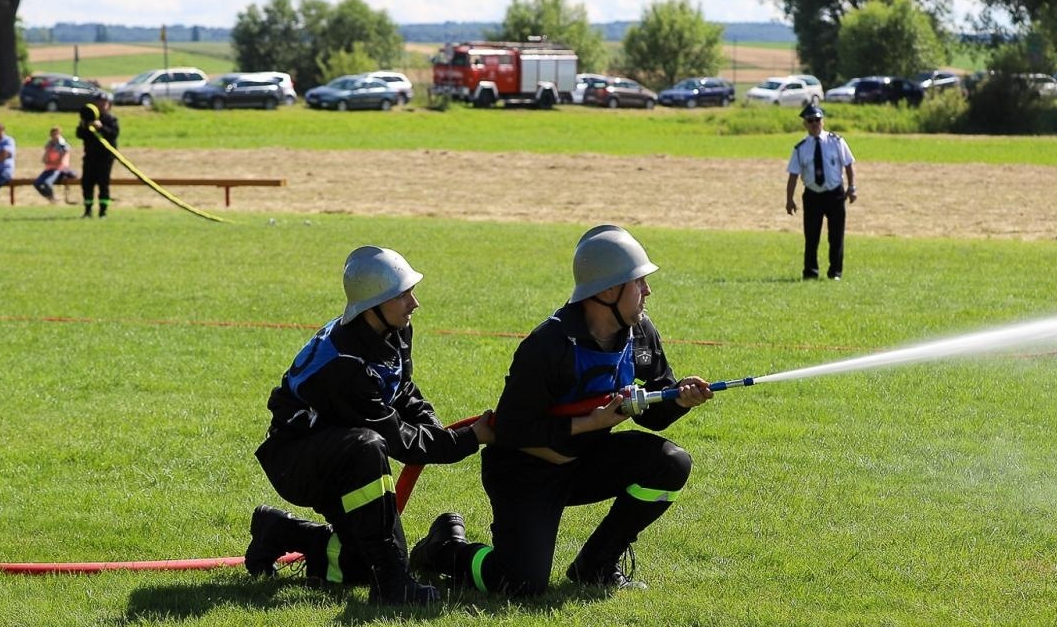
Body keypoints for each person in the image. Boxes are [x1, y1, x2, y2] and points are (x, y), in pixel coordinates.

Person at [409, 225, 713, 597]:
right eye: (638, 282)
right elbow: (513, 430)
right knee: (518, 584)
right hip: (525, 473)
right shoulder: (547, 345)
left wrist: (678, 399)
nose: (647, 291)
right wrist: (591, 422)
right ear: (607, 290)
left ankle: (596, 565)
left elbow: (653, 411)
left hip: (584, 461)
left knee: (671, 462)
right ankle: (444, 548)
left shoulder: (640, 333)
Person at [244, 246, 494, 606]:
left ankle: (280, 531)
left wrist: (436, 428)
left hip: (337, 452)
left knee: (362, 563)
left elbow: (402, 390)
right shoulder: (344, 367)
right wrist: (467, 439)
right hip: (298, 462)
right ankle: (392, 586)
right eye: (403, 294)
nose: (414, 303)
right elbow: (397, 440)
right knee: (369, 446)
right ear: (372, 304)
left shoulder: (390, 329)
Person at [785, 102, 856, 280]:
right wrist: (789, 199)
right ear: (805, 124)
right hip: (812, 196)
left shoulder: (836, 141)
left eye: (817, 120)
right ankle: (810, 273)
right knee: (811, 237)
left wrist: (852, 187)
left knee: (836, 237)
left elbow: (848, 164)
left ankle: (835, 273)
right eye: (810, 121)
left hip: (835, 194)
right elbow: (793, 174)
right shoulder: (800, 148)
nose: (814, 124)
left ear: (822, 121)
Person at [75, 93, 119, 218]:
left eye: (104, 103)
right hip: (90, 156)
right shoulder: (87, 118)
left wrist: (101, 128)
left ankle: (103, 211)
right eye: (99, 102)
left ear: (108, 105)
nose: (102, 105)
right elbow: (79, 134)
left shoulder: (111, 119)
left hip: (105, 158)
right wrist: (85, 126)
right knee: (87, 183)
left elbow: (113, 134)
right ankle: (88, 210)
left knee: (103, 184)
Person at [32, 126, 76, 203]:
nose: (54, 136)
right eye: (53, 134)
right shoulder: (49, 145)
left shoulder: (63, 145)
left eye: (56, 134)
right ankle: (50, 197)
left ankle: (52, 198)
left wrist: (50, 162)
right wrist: (49, 161)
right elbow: (44, 159)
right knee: (37, 183)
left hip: (59, 169)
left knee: (47, 183)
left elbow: (60, 161)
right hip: (49, 169)